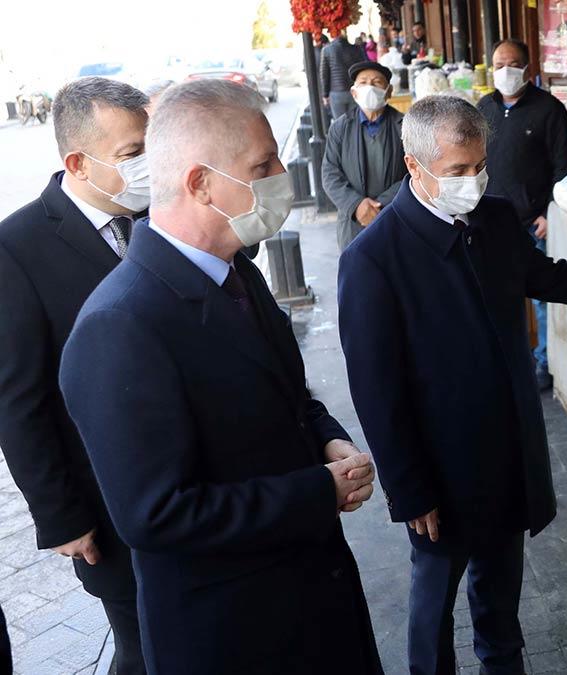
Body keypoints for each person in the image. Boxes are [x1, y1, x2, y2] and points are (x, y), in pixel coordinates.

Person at [337, 95, 567, 675]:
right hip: (440, 469)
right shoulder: (374, 260)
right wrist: (409, 486)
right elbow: (377, 391)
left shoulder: (494, 218)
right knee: (435, 596)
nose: (473, 181)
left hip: (505, 450)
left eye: (480, 166)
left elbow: (554, 276)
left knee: (500, 594)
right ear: (414, 166)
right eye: (458, 171)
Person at [58, 79, 383, 675]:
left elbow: (288, 397)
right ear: (200, 183)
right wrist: (320, 491)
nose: (282, 175)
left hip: (314, 601)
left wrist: (326, 437)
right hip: (237, 634)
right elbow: (156, 514)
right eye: (262, 165)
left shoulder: (238, 272)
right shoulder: (120, 325)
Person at [0, 76, 150, 675]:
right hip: (103, 494)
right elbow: (18, 400)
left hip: (190, 481)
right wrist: (60, 516)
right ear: (77, 162)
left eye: (152, 146)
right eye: (132, 155)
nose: (149, 166)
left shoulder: (158, 213)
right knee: (143, 649)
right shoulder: (18, 246)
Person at [478, 39, 567, 391]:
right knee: (492, 295)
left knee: (541, 298)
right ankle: (505, 360)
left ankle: (543, 364)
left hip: (534, 222)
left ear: (528, 67)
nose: (506, 71)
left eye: (513, 63)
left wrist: (550, 212)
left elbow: (564, 168)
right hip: (489, 222)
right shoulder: (483, 109)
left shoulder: (549, 109)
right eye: (499, 64)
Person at [322, 61, 408, 250]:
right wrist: (356, 205)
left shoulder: (405, 126)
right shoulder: (340, 127)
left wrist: (381, 206)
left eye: (377, 82)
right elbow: (330, 173)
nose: (370, 87)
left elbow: (414, 173)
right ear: (354, 93)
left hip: (394, 217)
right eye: (363, 82)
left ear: (389, 91)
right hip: (353, 223)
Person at [322, 30, 368, 121]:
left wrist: (325, 94)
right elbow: (363, 68)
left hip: (336, 93)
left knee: (340, 125)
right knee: (355, 122)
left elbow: (324, 75)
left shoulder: (326, 50)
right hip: (354, 91)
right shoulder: (356, 48)